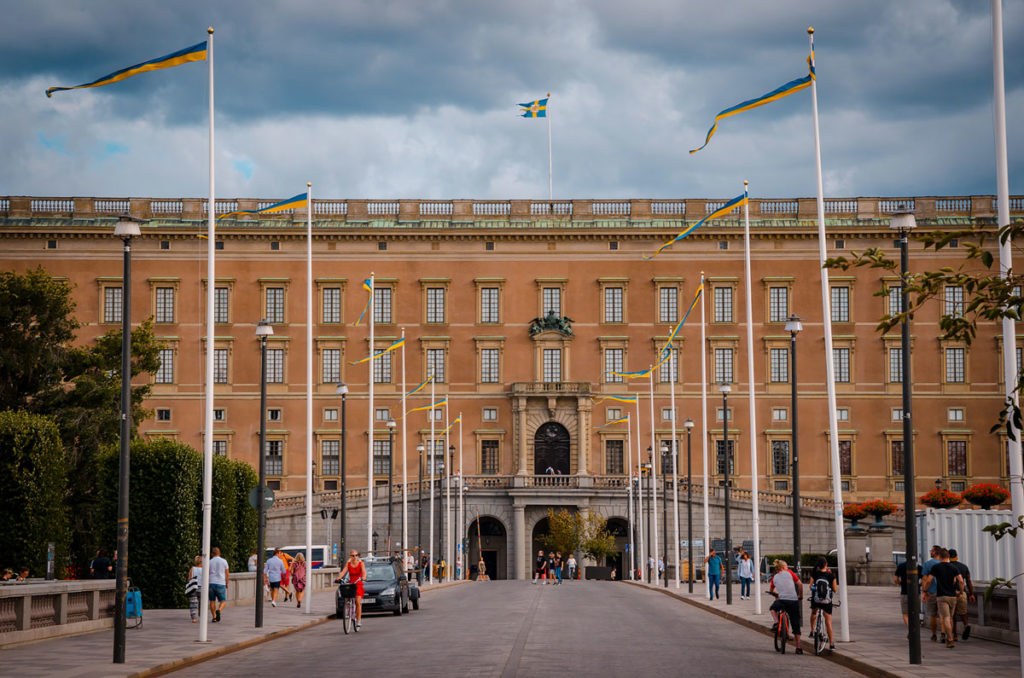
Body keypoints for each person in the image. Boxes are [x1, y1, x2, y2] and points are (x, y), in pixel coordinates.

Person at [921, 548, 964, 649]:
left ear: (939, 557)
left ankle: (950, 640)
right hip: (953, 596)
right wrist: (961, 592)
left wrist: (925, 591)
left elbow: (928, 580)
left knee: (945, 618)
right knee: (950, 618)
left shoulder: (936, 567)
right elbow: (961, 581)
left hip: (941, 596)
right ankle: (950, 636)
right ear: (948, 557)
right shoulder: (954, 567)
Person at [769, 559, 804, 655]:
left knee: (772, 609)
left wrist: (776, 595)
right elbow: (800, 584)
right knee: (795, 623)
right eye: (787, 566)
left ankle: (776, 623)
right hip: (793, 600)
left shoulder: (775, 577)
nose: (788, 568)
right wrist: (800, 595)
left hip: (782, 600)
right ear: (784, 567)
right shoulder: (789, 573)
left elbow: (771, 590)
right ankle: (798, 647)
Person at [809, 556, 837, 651]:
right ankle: (832, 643)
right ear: (826, 565)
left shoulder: (815, 574)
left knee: (813, 613)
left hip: (816, 600)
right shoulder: (831, 576)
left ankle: (812, 631)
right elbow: (835, 589)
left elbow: (810, 587)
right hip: (826, 602)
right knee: (828, 622)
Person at [948, 549, 975, 641]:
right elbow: (968, 581)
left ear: (948, 557)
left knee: (953, 615)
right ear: (957, 556)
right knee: (963, 613)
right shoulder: (964, 567)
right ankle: (966, 625)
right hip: (962, 592)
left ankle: (955, 635)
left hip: (951, 593)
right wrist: (971, 594)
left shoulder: (948, 566)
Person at [336, 550, 367, 628]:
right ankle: (348, 611)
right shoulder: (348, 564)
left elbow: (364, 572)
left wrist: (364, 577)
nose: (354, 557)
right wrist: (339, 577)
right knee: (346, 596)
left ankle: (358, 620)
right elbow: (343, 572)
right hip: (351, 582)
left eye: (356, 555)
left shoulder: (361, 563)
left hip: (358, 583)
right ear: (350, 556)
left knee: (358, 601)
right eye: (353, 555)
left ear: (358, 556)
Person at [920, 545, 942, 642]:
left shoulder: (928, 564)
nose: (930, 552)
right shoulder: (944, 563)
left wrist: (924, 592)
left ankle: (934, 634)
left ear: (934, 552)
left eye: (931, 551)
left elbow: (925, 579)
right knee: (943, 615)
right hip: (943, 593)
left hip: (931, 593)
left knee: (933, 615)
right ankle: (943, 634)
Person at [207, 547, 230, 623]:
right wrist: (227, 583)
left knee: (212, 601)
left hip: (211, 583)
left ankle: (214, 617)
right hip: (221, 583)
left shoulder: (209, 562)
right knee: (223, 601)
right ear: (219, 553)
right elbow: (227, 574)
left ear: (212, 554)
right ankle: (219, 610)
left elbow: (207, 573)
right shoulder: (224, 561)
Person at [185, 555, 202, 623]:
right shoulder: (205, 569)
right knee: (202, 603)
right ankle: (201, 615)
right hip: (202, 588)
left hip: (194, 587)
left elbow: (189, 578)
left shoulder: (192, 569)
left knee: (193, 603)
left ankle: (194, 618)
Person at [894, 557, 909, 628]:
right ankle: (914, 629)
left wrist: (900, 583)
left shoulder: (901, 566)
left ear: (905, 557)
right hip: (916, 593)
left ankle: (910, 629)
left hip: (904, 592)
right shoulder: (918, 567)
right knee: (915, 613)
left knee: (905, 613)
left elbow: (895, 579)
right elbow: (924, 578)